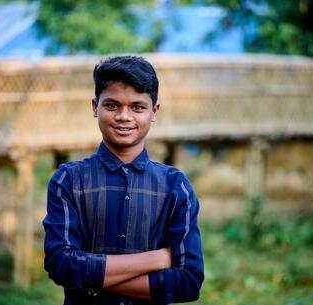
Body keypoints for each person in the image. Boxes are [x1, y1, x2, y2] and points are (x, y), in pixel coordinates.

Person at [43, 56, 204, 305]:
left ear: (154, 111)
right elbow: (61, 265)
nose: (124, 116)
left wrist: (91, 282)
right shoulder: (69, 180)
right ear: (95, 106)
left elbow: (189, 282)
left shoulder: (175, 186)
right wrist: (156, 259)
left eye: (137, 107)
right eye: (112, 105)